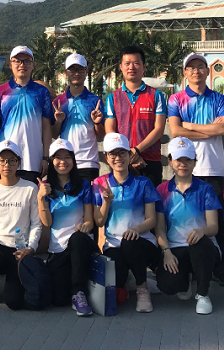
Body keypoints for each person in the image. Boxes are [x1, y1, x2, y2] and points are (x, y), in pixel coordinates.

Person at [167, 52, 224, 285]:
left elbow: (222, 129)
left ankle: (219, 266)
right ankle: (189, 266)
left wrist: (190, 126)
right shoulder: (176, 99)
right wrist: (207, 130)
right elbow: (175, 131)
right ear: (185, 73)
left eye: (201, 66)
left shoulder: (219, 99)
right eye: (191, 67)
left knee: (217, 221)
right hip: (185, 167)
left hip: (213, 168)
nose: (196, 71)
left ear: (207, 71)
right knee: (185, 218)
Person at [93, 132, 161, 313]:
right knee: (118, 287)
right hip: (113, 245)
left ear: (129, 155)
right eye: (113, 154)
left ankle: (142, 289)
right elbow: (99, 221)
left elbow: (152, 219)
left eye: (122, 153)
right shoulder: (99, 183)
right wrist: (106, 201)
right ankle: (131, 277)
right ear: (106, 157)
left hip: (141, 241)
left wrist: (136, 229)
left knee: (129, 242)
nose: (118, 158)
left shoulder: (143, 183)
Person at [155, 137, 222, 315]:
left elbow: (213, 226)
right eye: (178, 159)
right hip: (175, 247)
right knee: (168, 285)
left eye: (188, 159)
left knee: (200, 245)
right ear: (170, 161)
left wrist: (201, 231)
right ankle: (186, 280)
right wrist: (166, 252)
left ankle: (203, 294)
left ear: (195, 161)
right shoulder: (162, 190)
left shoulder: (206, 189)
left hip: (203, 246)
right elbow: (160, 228)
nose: (183, 164)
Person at [0, 140, 43, 309]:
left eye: (12, 160)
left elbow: (36, 223)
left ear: (18, 163)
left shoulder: (30, 188)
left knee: (14, 302)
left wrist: (31, 248)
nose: (7, 165)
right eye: (2, 160)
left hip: (20, 249)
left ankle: (16, 279)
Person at [38, 138, 96, 316]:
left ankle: (79, 292)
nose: (63, 161)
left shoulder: (84, 185)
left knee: (77, 239)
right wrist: (41, 198)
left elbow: (89, 221)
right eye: (58, 157)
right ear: (51, 161)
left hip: (80, 242)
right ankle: (74, 287)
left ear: (73, 160)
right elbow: (47, 223)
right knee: (58, 299)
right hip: (58, 248)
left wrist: (85, 226)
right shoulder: (45, 186)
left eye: (67, 157)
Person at [0, 46, 55, 184]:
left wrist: (46, 158)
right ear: (10, 64)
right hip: (5, 160)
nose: (22, 65)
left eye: (27, 61)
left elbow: (46, 126)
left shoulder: (42, 92)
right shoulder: (0, 92)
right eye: (17, 61)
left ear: (33, 65)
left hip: (33, 160)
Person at [104, 46, 168, 186]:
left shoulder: (156, 96)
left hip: (150, 162)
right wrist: (127, 153)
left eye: (136, 63)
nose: (131, 67)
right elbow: (110, 130)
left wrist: (137, 150)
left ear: (144, 67)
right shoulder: (113, 98)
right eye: (127, 63)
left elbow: (159, 129)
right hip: (120, 162)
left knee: (151, 200)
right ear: (121, 67)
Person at [52, 53, 105, 183]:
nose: (77, 73)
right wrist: (58, 122)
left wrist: (97, 123)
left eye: (80, 69)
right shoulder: (59, 102)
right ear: (66, 72)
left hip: (89, 162)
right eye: (72, 69)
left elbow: (102, 135)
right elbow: (54, 134)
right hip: (65, 162)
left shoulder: (95, 101)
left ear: (86, 72)